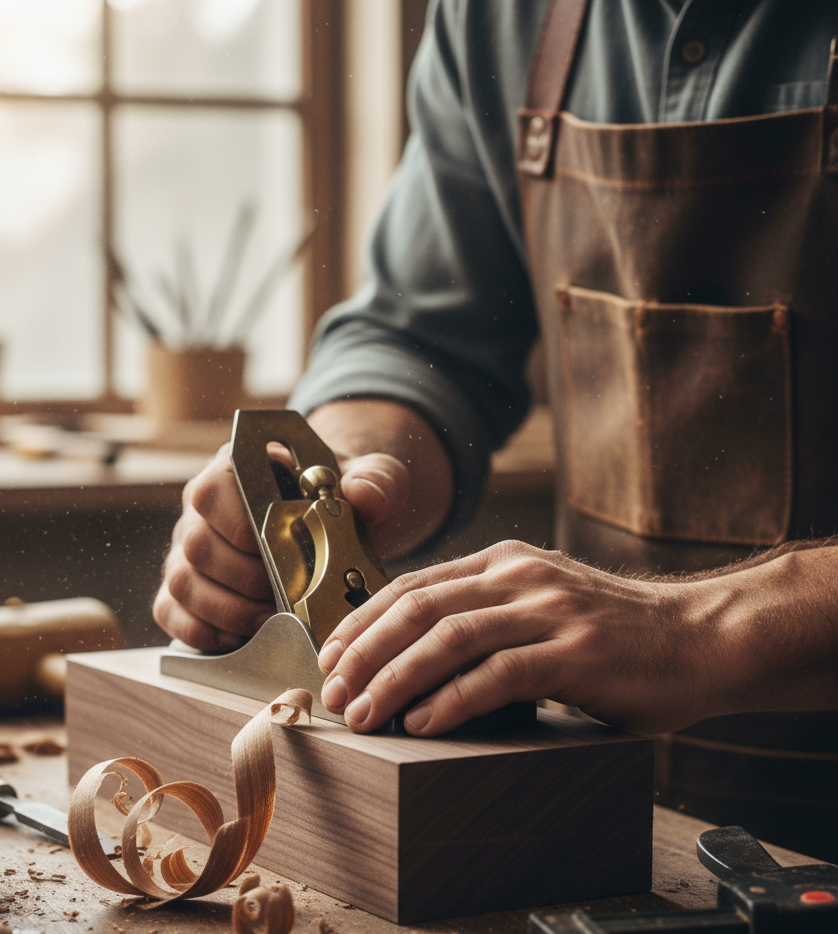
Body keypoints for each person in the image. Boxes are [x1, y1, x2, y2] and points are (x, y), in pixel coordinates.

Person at [154, 0, 838, 858]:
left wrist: (695, 632)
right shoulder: (501, 17)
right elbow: (425, 336)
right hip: (590, 786)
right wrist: (350, 467)